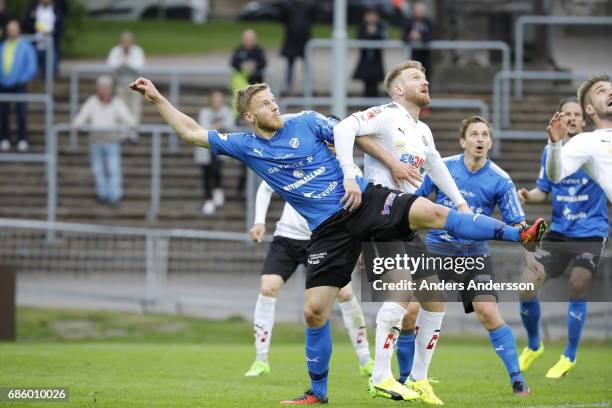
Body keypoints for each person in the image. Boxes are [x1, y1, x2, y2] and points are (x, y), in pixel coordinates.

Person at [129, 76, 546, 405]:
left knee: (432, 215)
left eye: (273, 99)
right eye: (264, 105)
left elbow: (353, 134)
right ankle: (318, 392)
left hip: (363, 200)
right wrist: (158, 99)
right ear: (250, 118)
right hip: (327, 230)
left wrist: (391, 164)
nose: (274, 106)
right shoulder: (245, 145)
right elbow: (190, 132)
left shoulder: (307, 121)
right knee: (314, 312)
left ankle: (517, 233)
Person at [334, 59, 471, 404]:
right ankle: (380, 377)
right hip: (381, 215)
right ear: (397, 89)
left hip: (407, 218)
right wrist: (349, 174)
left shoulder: (421, 130)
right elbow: (343, 128)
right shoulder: (385, 113)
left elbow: (436, 164)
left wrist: (460, 202)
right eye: (415, 78)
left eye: (425, 77)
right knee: (400, 293)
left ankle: (419, 379)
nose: (424, 82)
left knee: (434, 298)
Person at [410, 116, 531, 396]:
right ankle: (408, 379)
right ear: (462, 141)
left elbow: (516, 222)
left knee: (488, 311)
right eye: (474, 134)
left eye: (485, 135)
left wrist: (528, 238)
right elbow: (416, 202)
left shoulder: (500, 179)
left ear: (490, 142)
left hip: (474, 255)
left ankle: (517, 378)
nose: (480, 139)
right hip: (437, 249)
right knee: (410, 312)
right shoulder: (443, 168)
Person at [244, 177, 373, 377]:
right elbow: (265, 187)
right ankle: (260, 360)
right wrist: (259, 222)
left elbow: (361, 205)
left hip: (321, 239)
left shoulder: (348, 170)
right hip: (287, 237)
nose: (331, 145)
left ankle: (365, 359)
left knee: (346, 294)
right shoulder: (299, 157)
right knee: (268, 287)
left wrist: (360, 242)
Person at [517, 97, 608, 379]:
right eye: (566, 113)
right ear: (559, 118)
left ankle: (568, 355)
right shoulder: (551, 152)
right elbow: (543, 189)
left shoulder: (596, 150)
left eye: (576, 114)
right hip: (559, 231)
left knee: (577, 284)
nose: (571, 118)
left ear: (584, 120)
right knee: (525, 285)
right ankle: (534, 345)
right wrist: (528, 195)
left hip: (591, 232)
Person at [546, 75, 612, 202]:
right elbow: (556, 175)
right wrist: (555, 145)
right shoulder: (587, 141)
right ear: (589, 109)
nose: (610, 92)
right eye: (601, 91)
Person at [73, 76, 137, 207]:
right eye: (101, 87)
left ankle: (114, 196)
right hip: (96, 141)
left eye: (106, 88)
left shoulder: (116, 103)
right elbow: (80, 118)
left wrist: (124, 134)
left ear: (110, 89)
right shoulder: (92, 102)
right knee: (98, 170)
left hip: (111, 141)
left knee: (113, 169)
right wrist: (78, 124)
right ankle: (102, 194)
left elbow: (130, 120)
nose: (103, 90)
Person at [230, 29, 267, 197]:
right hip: (244, 112)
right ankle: (242, 188)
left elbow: (263, 64)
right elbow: (233, 64)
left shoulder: (259, 52)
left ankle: (257, 188)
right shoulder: (238, 51)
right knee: (245, 154)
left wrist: (254, 67)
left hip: (255, 111)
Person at [0, 19, 37, 152]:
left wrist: (21, 79)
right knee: (3, 113)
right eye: (10, 29)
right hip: (3, 84)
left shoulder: (26, 46)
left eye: (14, 28)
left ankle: (23, 138)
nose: (12, 31)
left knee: (21, 112)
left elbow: (32, 66)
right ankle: (5, 138)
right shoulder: (3, 46)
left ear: (19, 30)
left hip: (19, 84)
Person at [195, 90, 232, 215]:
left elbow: (230, 125)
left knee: (217, 169)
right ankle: (208, 199)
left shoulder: (226, 111)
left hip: (219, 148)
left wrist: (215, 126)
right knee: (206, 174)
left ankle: (217, 190)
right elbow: (204, 128)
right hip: (205, 148)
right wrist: (218, 126)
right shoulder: (205, 112)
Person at [107, 31, 146, 143]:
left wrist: (125, 62)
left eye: (128, 41)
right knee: (122, 107)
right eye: (124, 41)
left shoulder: (137, 51)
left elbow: (139, 66)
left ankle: (133, 132)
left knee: (135, 108)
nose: (126, 43)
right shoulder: (115, 51)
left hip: (136, 85)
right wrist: (124, 63)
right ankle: (123, 132)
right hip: (120, 84)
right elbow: (111, 65)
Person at [278, 0, 317, 92]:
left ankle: (308, 85)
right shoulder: (287, 5)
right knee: (290, 63)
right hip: (292, 37)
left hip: (304, 37)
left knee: (306, 63)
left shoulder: (309, 5)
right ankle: (288, 84)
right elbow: (282, 17)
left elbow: (314, 16)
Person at [353, 7, 386, 98]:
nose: (371, 17)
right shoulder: (362, 26)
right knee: (366, 83)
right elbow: (359, 39)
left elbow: (383, 39)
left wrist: (375, 33)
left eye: (373, 15)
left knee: (375, 85)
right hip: (365, 60)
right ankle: (366, 106)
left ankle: (374, 106)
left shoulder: (380, 26)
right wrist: (367, 33)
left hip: (376, 60)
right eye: (369, 15)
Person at [24, 0, 63, 78]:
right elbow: (26, 23)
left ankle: (50, 89)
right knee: (34, 72)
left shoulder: (56, 10)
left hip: (52, 45)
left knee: (52, 72)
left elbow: (60, 28)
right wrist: (35, 26)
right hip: (36, 45)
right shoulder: (33, 8)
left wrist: (52, 32)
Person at [397, 1, 434, 78]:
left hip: (426, 56)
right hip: (413, 56)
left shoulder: (429, 22)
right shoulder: (409, 22)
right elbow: (403, 37)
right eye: (417, 10)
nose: (419, 12)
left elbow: (431, 37)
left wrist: (420, 37)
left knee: (426, 79)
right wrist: (411, 37)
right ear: (414, 11)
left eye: (421, 10)